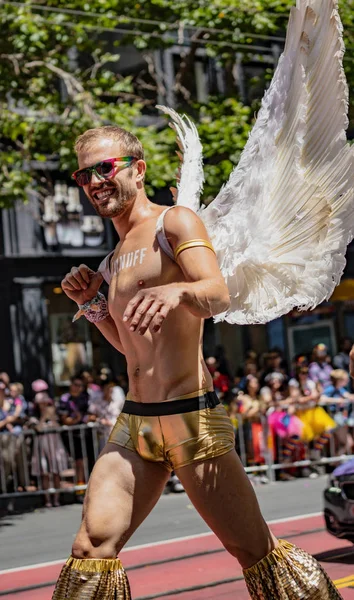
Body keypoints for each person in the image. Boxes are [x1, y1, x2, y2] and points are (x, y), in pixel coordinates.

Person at [52, 125, 339, 599]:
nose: (94, 183)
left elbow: (217, 294)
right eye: (83, 176)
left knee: (253, 550)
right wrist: (94, 305)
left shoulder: (176, 223)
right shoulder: (111, 259)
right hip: (136, 426)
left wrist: (178, 289)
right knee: (90, 550)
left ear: (137, 169)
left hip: (191, 421)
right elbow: (132, 348)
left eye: (104, 168)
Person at [30, 382, 68, 508]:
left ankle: (56, 498)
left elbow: (58, 427)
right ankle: (47, 499)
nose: (44, 405)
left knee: (56, 472)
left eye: (46, 403)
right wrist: (43, 417)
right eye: (42, 403)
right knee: (45, 473)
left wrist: (51, 417)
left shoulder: (53, 414)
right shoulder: (34, 416)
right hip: (42, 446)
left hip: (54, 445)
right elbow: (38, 429)